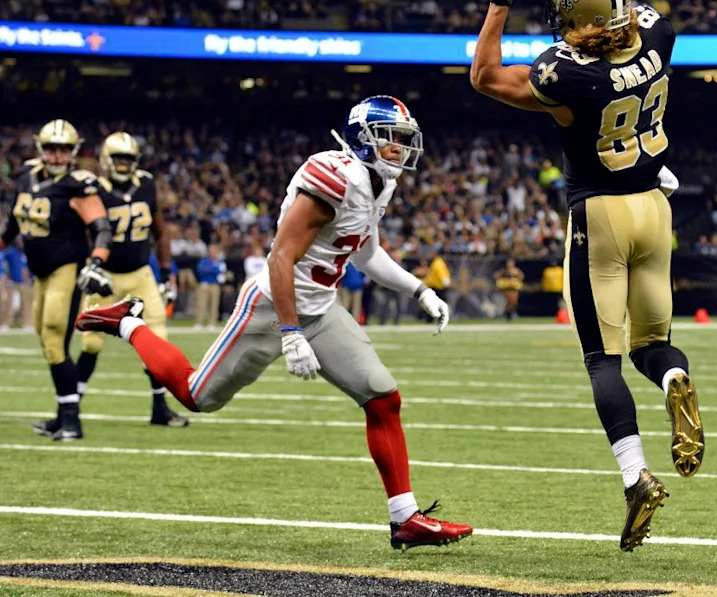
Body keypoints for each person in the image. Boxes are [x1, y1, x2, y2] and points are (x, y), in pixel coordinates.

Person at [76, 96, 473, 550]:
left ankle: (405, 518)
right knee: (197, 396)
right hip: (269, 307)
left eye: (405, 141)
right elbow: (281, 256)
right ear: (364, 139)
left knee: (382, 397)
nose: (401, 149)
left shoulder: (379, 182)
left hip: (321, 308)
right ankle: (128, 323)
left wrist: (418, 289)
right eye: (393, 140)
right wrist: (290, 332)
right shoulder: (334, 177)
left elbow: (365, 252)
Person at [470, 0, 703, 551]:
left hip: (598, 215)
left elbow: (486, 77)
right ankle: (674, 378)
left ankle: (635, 477)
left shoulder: (566, 74)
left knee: (600, 357)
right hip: (656, 208)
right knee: (653, 346)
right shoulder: (659, 35)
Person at [0, 119, 115, 441]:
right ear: (41, 148)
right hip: (39, 271)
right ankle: (62, 415)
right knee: (50, 345)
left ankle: (71, 421)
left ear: (74, 151)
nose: (57, 155)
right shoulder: (26, 175)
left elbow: (102, 228)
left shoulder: (78, 184)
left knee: (53, 336)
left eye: (63, 149)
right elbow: (13, 225)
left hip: (66, 267)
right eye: (52, 148)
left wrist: (95, 262)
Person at [76, 132, 188, 428]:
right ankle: (69, 410)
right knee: (91, 343)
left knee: (158, 340)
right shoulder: (93, 189)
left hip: (141, 275)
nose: (123, 164)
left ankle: (159, 408)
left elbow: (160, 232)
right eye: (118, 158)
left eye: (128, 159)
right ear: (106, 160)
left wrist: (166, 273)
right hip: (106, 276)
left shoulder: (146, 185)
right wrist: (87, 267)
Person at [194, 244, 226, 330]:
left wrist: (210, 270)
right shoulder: (204, 261)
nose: (213, 253)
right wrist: (213, 270)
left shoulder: (220, 262)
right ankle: (199, 322)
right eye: (212, 251)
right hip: (204, 284)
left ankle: (212, 323)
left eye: (215, 251)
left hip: (215, 284)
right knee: (201, 304)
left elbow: (220, 272)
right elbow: (201, 271)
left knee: (214, 304)